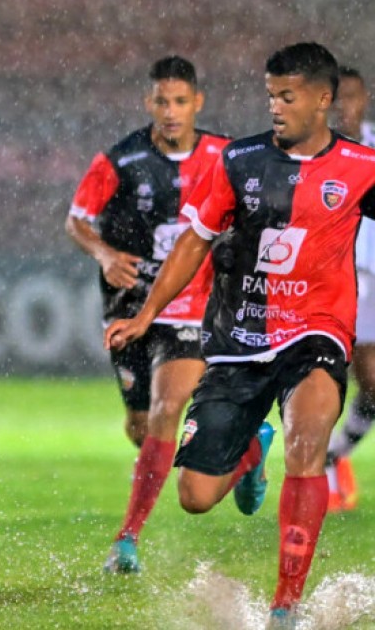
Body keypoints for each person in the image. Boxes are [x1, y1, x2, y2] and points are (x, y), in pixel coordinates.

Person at [105, 42, 375, 627]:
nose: (274, 106)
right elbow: (194, 241)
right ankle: (252, 449)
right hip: (238, 340)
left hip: (317, 334)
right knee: (196, 497)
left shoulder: (360, 167)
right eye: (271, 94)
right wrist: (149, 314)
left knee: (310, 444)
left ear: (322, 99)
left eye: (287, 95)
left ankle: (284, 605)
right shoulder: (240, 160)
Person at [65, 56, 228, 572]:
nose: (172, 111)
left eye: (181, 101)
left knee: (166, 406)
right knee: (141, 425)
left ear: (198, 102)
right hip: (131, 304)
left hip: (193, 303)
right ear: (149, 103)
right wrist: (106, 255)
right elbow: (77, 221)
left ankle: (127, 539)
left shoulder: (226, 156)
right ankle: (246, 449)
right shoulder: (121, 161)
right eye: (163, 101)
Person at [325, 66, 375, 512]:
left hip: (373, 277)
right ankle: (317, 462)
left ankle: (333, 454)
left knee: (374, 385)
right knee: (328, 371)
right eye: (339, 98)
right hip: (337, 275)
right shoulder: (323, 151)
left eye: (353, 97)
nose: (347, 106)